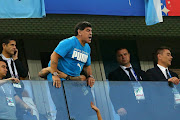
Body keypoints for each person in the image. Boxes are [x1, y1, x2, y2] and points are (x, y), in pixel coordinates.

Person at [47, 21, 95, 88]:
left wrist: (90, 76)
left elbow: (87, 66)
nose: (90, 33)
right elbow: (54, 56)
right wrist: (54, 74)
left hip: (73, 82)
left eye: (91, 31)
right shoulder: (69, 42)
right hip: (59, 80)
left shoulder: (87, 48)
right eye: (88, 31)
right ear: (79, 32)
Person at [108, 48, 148, 120]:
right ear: (117, 58)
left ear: (129, 55)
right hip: (128, 109)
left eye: (125, 54)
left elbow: (148, 88)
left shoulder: (140, 72)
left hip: (144, 107)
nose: (123, 57)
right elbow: (113, 92)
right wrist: (118, 107)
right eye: (120, 55)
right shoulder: (114, 75)